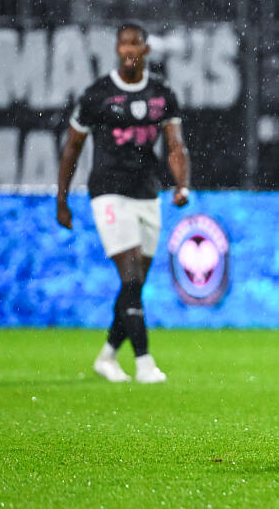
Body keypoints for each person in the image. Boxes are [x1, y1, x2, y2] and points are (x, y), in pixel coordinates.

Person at [56, 22, 190, 384]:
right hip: (109, 191)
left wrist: (182, 185)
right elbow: (73, 148)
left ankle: (107, 356)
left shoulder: (162, 95)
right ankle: (145, 362)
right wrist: (62, 198)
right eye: (124, 44)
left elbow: (176, 146)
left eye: (136, 44)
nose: (129, 50)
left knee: (136, 284)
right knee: (130, 276)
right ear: (117, 50)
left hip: (148, 193)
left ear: (145, 50)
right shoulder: (98, 95)